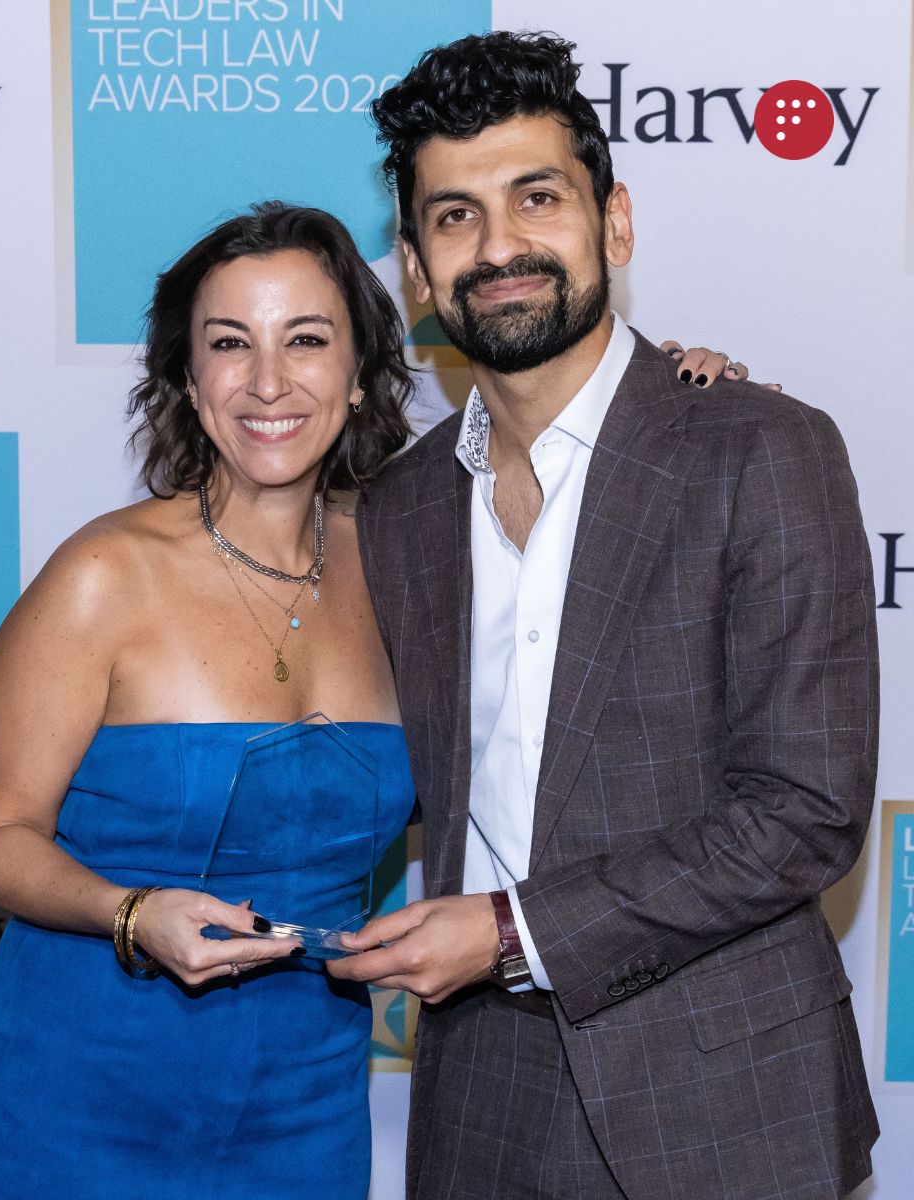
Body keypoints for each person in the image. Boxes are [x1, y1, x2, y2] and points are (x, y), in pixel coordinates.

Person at [329, 31, 879, 1200]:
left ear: (614, 224)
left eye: (538, 198)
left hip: (723, 1100)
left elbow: (807, 813)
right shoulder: (399, 509)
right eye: (456, 216)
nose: (500, 247)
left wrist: (512, 931)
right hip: (480, 1098)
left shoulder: (760, 450)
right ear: (416, 271)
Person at [0, 202, 419, 1200]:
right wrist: (131, 912)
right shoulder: (102, 576)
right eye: (231, 344)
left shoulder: (413, 572)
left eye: (307, 340)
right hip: (76, 1106)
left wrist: (678, 392)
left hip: (308, 1111)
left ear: (360, 372)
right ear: (191, 382)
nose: (269, 382)